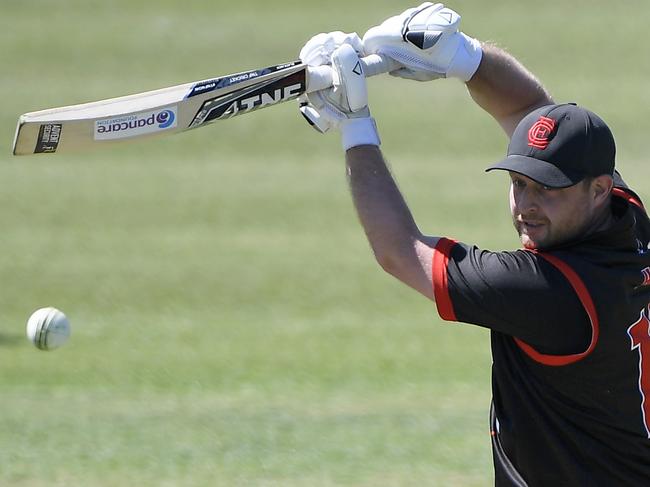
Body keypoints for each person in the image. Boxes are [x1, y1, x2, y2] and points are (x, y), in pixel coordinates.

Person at [298, 3, 650, 485]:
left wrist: (354, 122)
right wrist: (462, 56)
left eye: (548, 189)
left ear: (597, 189)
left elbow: (401, 252)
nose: (527, 205)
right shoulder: (627, 220)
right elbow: (527, 109)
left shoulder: (552, 294)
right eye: (520, 182)